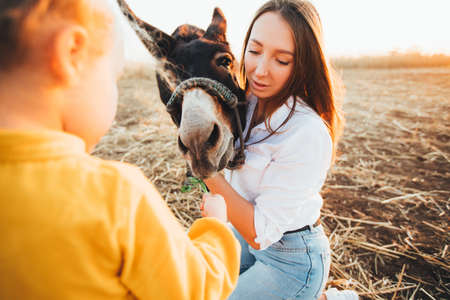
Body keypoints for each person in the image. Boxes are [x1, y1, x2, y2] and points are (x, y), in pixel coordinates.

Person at [0, 0, 240, 299]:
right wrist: (216, 226)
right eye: (114, 78)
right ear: (70, 53)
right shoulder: (118, 198)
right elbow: (199, 287)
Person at [201, 0, 357, 299]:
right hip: (242, 235)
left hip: (291, 259)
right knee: (197, 283)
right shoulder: (244, 102)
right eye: (255, 51)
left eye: (281, 60)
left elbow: (260, 233)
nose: (260, 71)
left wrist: (205, 171)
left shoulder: (307, 132)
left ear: (303, 65)